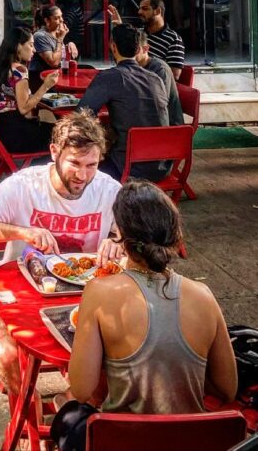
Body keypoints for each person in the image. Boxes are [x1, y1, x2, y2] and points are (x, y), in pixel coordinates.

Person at [50, 181, 237, 451]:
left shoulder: (100, 291)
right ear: (175, 234)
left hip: (123, 441)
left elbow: (81, 388)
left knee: (68, 411)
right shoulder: (203, 295)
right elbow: (227, 388)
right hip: (194, 441)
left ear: (120, 234)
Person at [0, 113, 122, 393]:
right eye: (74, 163)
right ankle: (26, 413)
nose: (83, 175)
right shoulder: (25, 185)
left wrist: (116, 240)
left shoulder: (109, 189)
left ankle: (77, 406)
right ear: (54, 152)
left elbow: (132, 234)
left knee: (127, 345)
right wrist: (22, 232)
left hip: (90, 291)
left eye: (91, 165)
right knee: (7, 348)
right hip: (25, 291)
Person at [79, 24, 169, 181]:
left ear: (113, 47)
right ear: (138, 49)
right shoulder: (156, 79)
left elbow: (82, 114)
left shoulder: (110, 77)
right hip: (163, 166)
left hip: (127, 167)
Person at [0, 28, 59, 154]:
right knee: (61, 134)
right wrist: (46, 86)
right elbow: (24, 109)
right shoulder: (19, 71)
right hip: (13, 138)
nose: (34, 50)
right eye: (31, 45)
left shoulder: (1, 67)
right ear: (18, 46)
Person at [109, 0, 185, 81]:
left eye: (145, 9)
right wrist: (119, 28)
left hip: (154, 87)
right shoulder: (138, 34)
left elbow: (174, 76)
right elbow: (122, 58)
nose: (139, 12)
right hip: (129, 79)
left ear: (157, 11)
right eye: (140, 8)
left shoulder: (174, 39)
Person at [136, 31, 184, 126]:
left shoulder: (160, 69)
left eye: (135, 50)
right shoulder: (135, 67)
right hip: (146, 120)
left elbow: (159, 104)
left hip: (168, 126)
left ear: (145, 49)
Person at [29, 5, 79, 91]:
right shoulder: (40, 36)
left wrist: (70, 45)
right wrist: (60, 39)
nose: (62, 20)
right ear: (47, 20)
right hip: (42, 82)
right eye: (57, 18)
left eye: (61, 16)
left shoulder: (58, 33)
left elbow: (62, 56)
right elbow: (54, 62)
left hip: (57, 78)